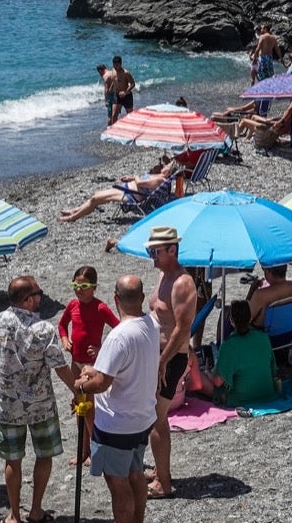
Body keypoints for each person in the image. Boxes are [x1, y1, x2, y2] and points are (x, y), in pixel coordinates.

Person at [73, 274, 159, 523]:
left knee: (118, 484)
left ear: (115, 299)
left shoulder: (119, 336)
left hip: (117, 424)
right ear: (143, 297)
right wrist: (93, 370)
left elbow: (102, 384)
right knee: (135, 475)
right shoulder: (151, 325)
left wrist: (83, 383)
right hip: (142, 417)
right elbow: (115, 371)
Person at [0, 276, 77, 523]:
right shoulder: (43, 329)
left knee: (13, 459)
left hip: (9, 405)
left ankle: (14, 513)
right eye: (38, 293)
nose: (41, 297)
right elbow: (59, 366)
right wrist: (77, 390)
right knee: (44, 455)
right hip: (41, 404)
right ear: (29, 299)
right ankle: (35, 509)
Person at [145, 226, 196, 501]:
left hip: (171, 356)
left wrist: (162, 361)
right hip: (158, 353)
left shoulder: (182, 282)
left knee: (157, 417)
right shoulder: (163, 275)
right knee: (154, 415)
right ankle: (158, 469)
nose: (151, 255)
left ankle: (164, 483)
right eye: (149, 250)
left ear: (172, 251)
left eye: (155, 251)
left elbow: (182, 326)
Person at [58, 265, 119, 464]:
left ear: (94, 287)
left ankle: (96, 451)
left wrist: (102, 349)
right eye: (75, 285)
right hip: (76, 363)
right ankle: (83, 451)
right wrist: (65, 339)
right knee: (79, 407)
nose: (79, 290)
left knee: (90, 409)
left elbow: (119, 330)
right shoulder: (72, 306)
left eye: (83, 286)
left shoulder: (100, 308)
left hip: (91, 366)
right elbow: (61, 324)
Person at [57, 160, 185, 222]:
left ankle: (72, 217)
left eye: (166, 166)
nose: (164, 166)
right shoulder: (159, 177)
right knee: (95, 196)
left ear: (169, 172)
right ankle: (75, 210)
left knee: (95, 199)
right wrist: (131, 178)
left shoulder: (160, 180)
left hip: (131, 196)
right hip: (128, 190)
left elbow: (140, 183)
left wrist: (134, 177)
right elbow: (140, 182)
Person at [205, 300, 276, 406]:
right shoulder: (263, 338)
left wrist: (207, 372)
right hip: (267, 394)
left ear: (231, 321)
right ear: (250, 318)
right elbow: (273, 370)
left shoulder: (229, 346)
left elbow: (217, 382)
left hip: (241, 399)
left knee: (201, 381)